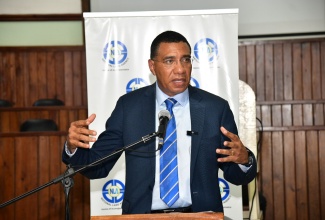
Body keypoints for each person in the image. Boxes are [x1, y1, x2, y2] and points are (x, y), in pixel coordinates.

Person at [62, 30, 257, 214]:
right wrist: (73, 147)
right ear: (152, 66)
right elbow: (97, 167)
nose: (180, 69)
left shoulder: (215, 108)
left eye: (186, 60)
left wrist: (244, 160)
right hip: (142, 216)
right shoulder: (129, 107)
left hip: (200, 215)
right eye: (169, 61)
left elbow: (236, 175)